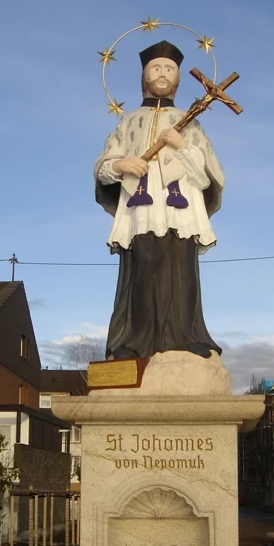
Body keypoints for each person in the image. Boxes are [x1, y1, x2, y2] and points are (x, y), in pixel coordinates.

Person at [94, 39, 225, 360]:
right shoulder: (128, 121)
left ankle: (185, 335)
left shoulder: (190, 120)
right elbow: (104, 165)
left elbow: (210, 172)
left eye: (170, 68)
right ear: (144, 74)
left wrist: (182, 145)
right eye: (156, 68)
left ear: (179, 77)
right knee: (144, 265)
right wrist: (122, 164)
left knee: (182, 265)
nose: (163, 73)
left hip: (180, 204)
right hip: (142, 204)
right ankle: (136, 341)